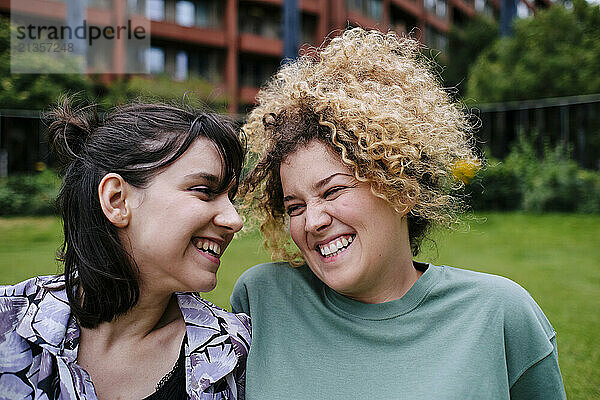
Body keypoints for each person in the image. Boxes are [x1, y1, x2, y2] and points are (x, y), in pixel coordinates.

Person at [231, 28, 566, 399]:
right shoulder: (262, 299)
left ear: (398, 187)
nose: (313, 221)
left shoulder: (500, 314)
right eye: (295, 206)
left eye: (334, 190)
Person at [0, 100, 251, 399]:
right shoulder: (9, 325)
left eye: (229, 196)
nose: (234, 220)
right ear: (117, 200)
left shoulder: (234, 354)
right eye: (204, 191)